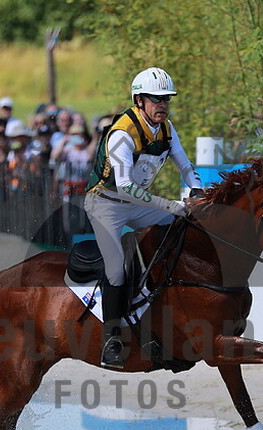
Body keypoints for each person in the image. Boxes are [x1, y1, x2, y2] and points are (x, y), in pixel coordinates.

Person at [84, 67, 202, 369]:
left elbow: (185, 165)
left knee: (180, 230)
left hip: (135, 203)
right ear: (139, 100)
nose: (162, 105)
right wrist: (171, 204)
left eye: (166, 99)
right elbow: (124, 188)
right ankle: (112, 341)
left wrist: (197, 190)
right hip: (106, 203)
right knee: (116, 271)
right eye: (156, 99)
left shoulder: (166, 128)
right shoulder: (123, 133)